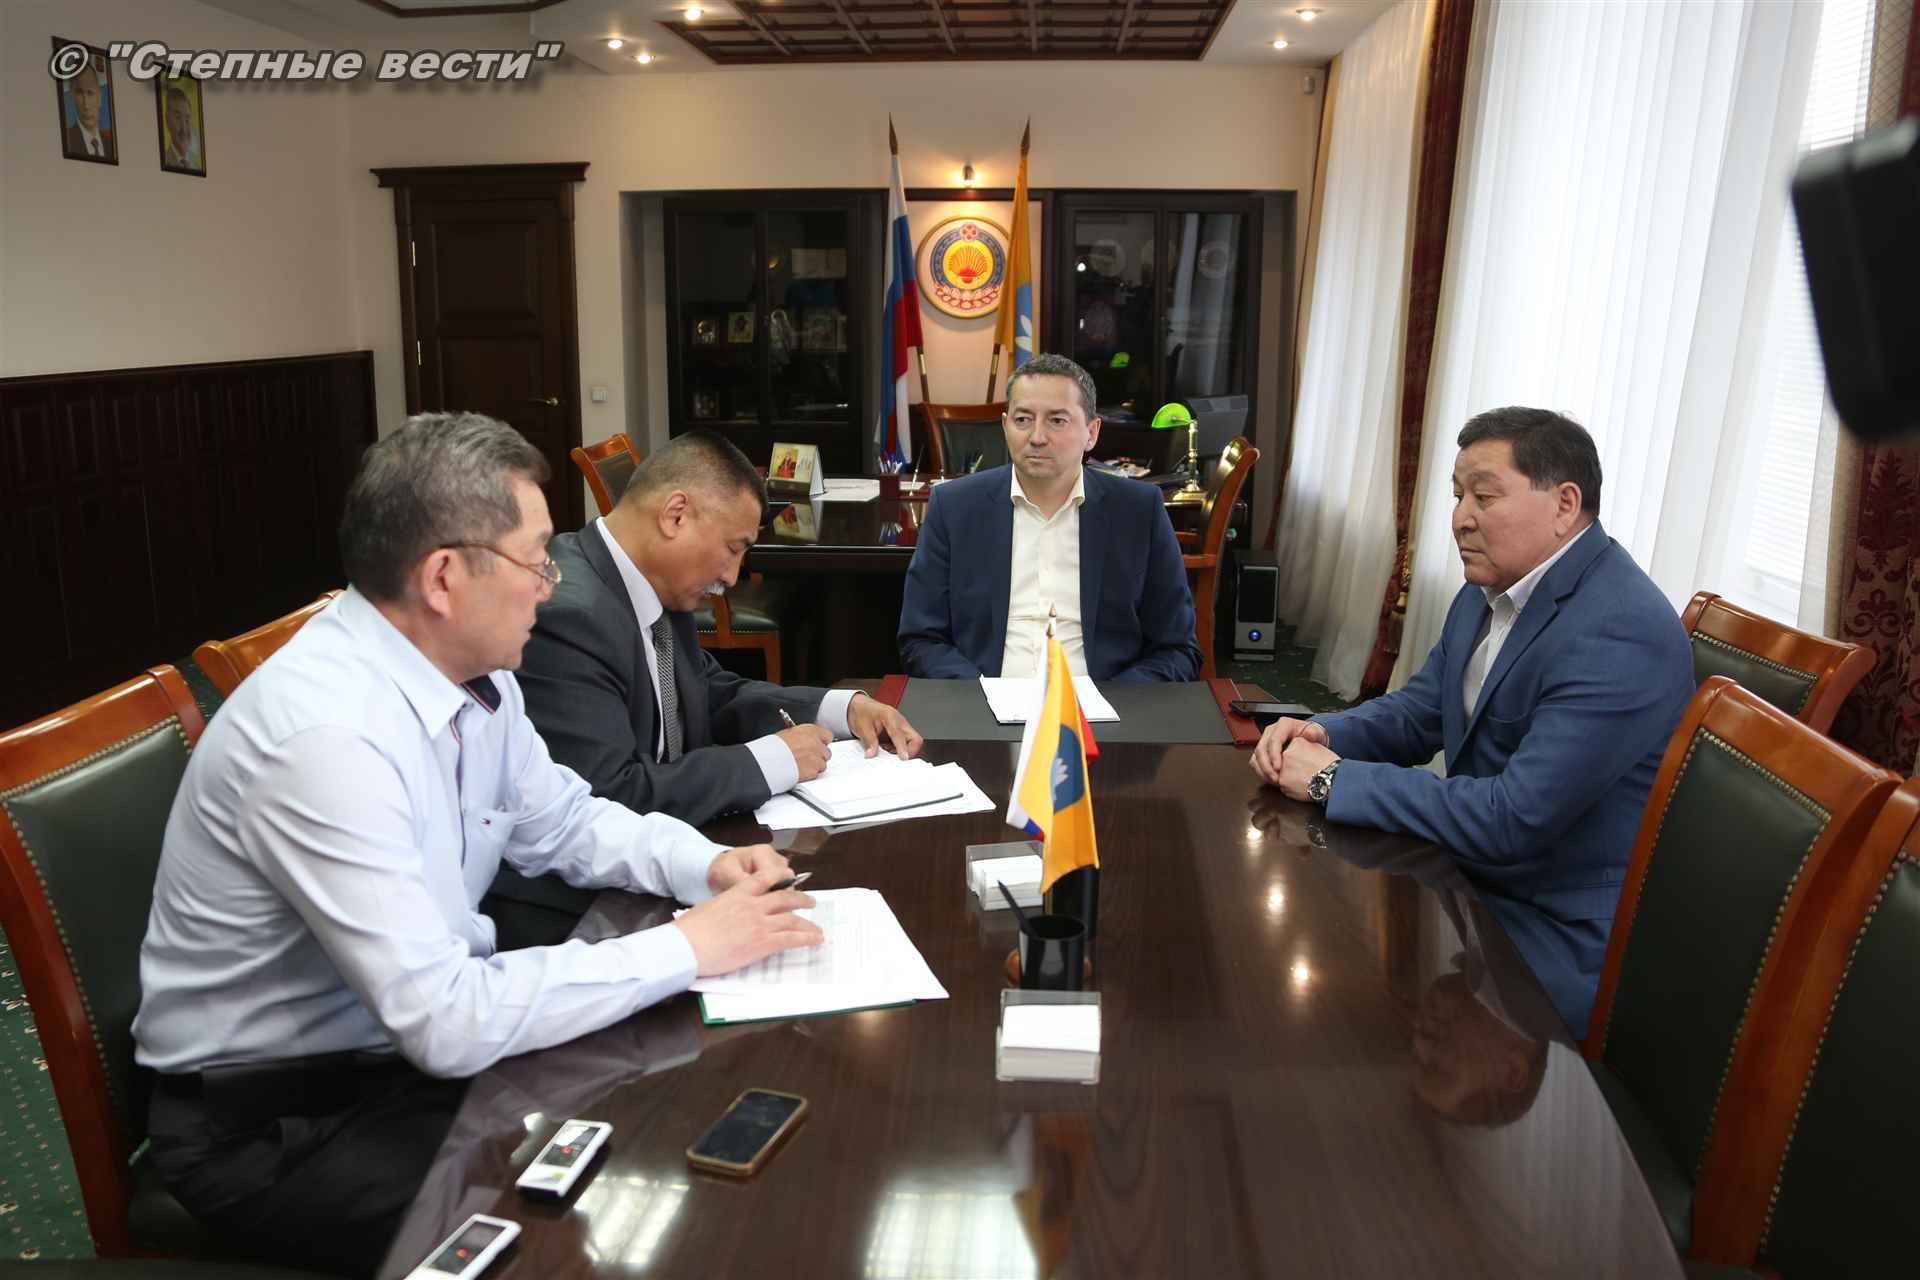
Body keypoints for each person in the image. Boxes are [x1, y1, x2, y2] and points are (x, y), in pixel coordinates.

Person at [133, 413, 823, 1277]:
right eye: (536, 561)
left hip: (392, 1061)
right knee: (588, 1220)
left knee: (654, 1126)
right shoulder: (325, 740)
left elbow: (562, 818)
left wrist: (703, 863)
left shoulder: (473, 673)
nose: (550, 586)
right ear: (444, 577)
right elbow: (446, 1021)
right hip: (281, 1124)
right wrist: (686, 946)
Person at [1251, 407, 1694, 1035]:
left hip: (1549, 929)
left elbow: (1512, 819)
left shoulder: (1619, 630)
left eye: (1484, 497)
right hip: (1471, 880)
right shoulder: (1488, 589)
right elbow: (1422, 710)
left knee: (1326, 999)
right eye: (1458, 495)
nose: (1460, 518)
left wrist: (1332, 779)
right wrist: (1321, 732)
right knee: (1294, 945)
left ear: (1565, 505)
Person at [517, 429, 923, 839]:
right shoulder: (566, 618)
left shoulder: (657, 580)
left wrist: (840, 708)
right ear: (675, 515)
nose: (731, 576)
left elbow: (707, 693)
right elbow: (608, 799)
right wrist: (769, 761)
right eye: (733, 548)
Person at [897, 352, 1200, 681]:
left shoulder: (1139, 511)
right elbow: (921, 639)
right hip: (982, 703)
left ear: (1092, 432)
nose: (1037, 437)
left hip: (1102, 707)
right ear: (1005, 426)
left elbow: (1177, 649)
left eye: (1057, 421)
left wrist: (1111, 701)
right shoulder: (954, 507)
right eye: (1023, 420)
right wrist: (981, 696)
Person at [63, 60, 113, 160]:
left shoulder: (110, 144)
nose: (86, 105)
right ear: (72, 96)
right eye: (79, 93)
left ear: (99, 97)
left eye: (90, 93)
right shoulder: (68, 140)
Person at [162, 82, 201, 169]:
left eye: (187, 119)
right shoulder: (166, 160)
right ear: (167, 120)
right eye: (178, 117)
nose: (184, 128)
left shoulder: (196, 167)